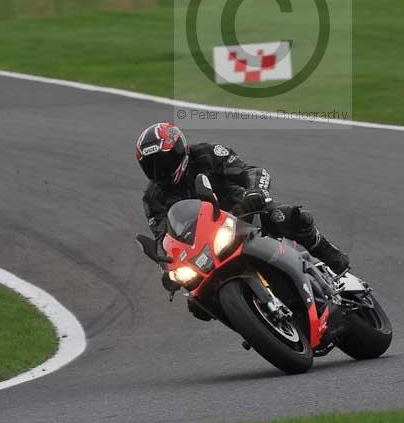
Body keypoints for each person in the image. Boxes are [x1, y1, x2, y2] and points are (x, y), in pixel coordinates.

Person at [137, 122, 349, 312]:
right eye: (151, 166)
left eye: (164, 162)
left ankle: (328, 255)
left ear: (179, 149)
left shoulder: (206, 154)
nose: (159, 171)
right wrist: (168, 268)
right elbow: (164, 239)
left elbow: (252, 171)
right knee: (197, 303)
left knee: (284, 217)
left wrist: (255, 192)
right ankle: (252, 317)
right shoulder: (153, 198)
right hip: (204, 244)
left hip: (242, 213)